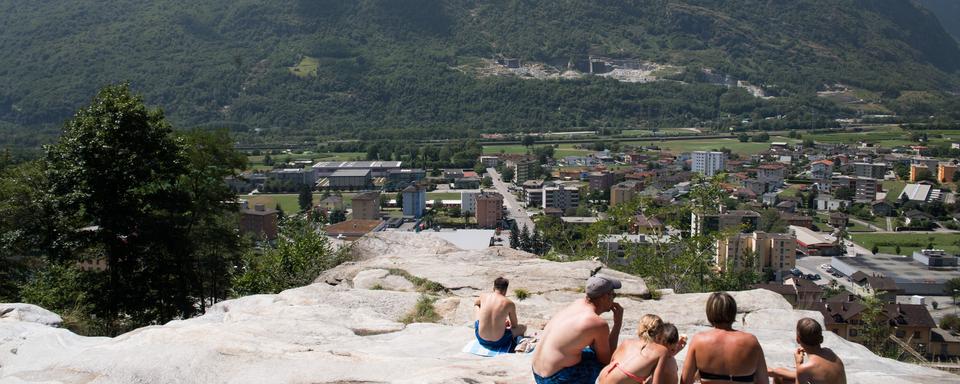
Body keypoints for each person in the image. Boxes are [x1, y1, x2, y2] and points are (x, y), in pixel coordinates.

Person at [532, 275, 624, 383]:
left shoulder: (577, 304)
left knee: (589, 352)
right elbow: (606, 360)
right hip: (555, 380)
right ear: (604, 297)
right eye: (613, 295)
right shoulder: (598, 324)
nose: (613, 299)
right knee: (612, 368)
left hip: (537, 372)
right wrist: (618, 324)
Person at [681, 292, 769, 384]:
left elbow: (685, 381)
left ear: (709, 312)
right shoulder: (751, 341)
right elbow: (764, 381)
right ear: (733, 312)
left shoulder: (699, 340)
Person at [597, 315, 687, 384]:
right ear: (660, 335)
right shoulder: (661, 351)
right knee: (670, 364)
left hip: (599, 380)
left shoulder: (627, 342)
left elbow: (613, 364)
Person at [768, 318, 846, 384]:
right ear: (820, 338)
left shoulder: (806, 368)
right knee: (779, 373)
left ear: (798, 339)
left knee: (779, 378)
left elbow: (803, 374)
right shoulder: (829, 352)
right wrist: (775, 372)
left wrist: (799, 363)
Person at [474, 277, 525, 351]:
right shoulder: (509, 303)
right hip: (500, 342)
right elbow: (514, 326)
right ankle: (518, 341)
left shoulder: (483, 296)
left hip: (481, 338)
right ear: (505, 290)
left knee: (476, 306)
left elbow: (476, 303)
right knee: (523, 327)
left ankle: (483, 325)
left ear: (493, 288)